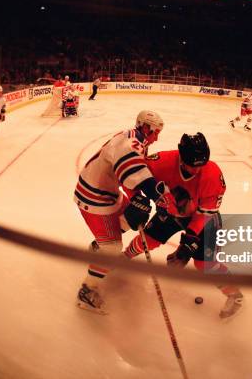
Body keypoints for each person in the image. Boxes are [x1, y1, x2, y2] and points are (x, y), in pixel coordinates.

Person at [123, 133, 244, 318]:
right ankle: (123, 258)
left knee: (205, 264)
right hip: (170, 212)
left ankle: (234, 294)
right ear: (180, 157)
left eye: (201, 165)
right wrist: (135, 199)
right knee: (146, 241)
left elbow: (205, 213)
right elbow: (130, 175)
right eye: (191, 165)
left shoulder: (212, 174)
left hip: (202, 217)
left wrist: (190, 238)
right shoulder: (161, 162)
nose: (196, 170)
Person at [75, 110, 177, 314]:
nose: (157, 137)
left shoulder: (135, 138)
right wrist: (160, 197)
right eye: (155, 131)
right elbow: (133, 172)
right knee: (113, 248)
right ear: (145, 127)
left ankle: (97, 247)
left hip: (105, 192)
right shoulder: (131, 143)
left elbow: (125, 172)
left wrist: (138, 195)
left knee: (131, 216)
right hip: (94, 198)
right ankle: (86, 291)